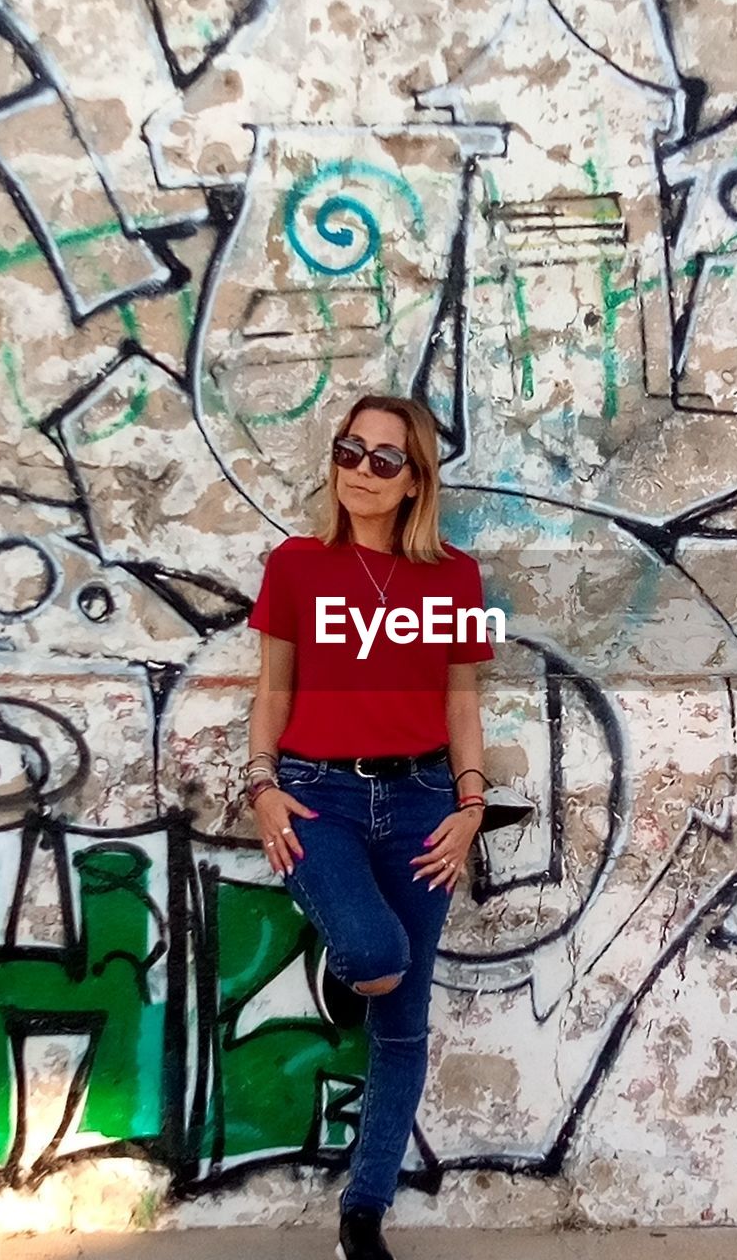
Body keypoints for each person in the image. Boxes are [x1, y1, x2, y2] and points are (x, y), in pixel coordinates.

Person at [244, 394, 495, 1260]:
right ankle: (360, 969)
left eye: (386, 458)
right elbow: (273, 689)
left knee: (403, 1024)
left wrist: (471, 807)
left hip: (423, 800)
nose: (362, 470)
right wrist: (262, 787)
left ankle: (364, 1210)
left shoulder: (453, 577)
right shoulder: (297, 566)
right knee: (376, 956)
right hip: (319, 798)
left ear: (417, 476)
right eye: (351, 450)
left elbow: (462, 698)